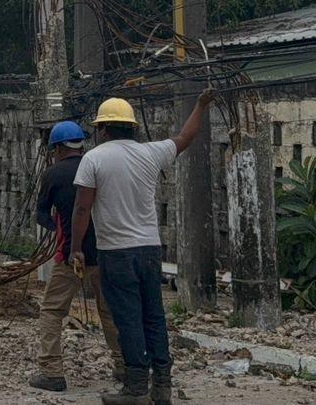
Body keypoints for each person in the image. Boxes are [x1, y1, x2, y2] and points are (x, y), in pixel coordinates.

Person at [69, 91, 213, 405]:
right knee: (154, 317)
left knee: (128, 319)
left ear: (103, 129)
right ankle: (162, 386)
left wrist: (76, 247)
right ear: (132, 128)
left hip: (116, 252)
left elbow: (82, 209)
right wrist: (200, 105)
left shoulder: (93, 159)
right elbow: (186, 136)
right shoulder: (150, 153)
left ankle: (135, 389)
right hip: (149, 250)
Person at [28, 120, 125, 392]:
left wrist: (58, 227)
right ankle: (125, 366)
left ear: (57, 148)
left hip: (72, 254)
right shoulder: (98, 166)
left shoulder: (53, 175)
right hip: (106, 253)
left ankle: (52, 371)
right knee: (110, 311)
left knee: (51, 310)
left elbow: (42, 214)